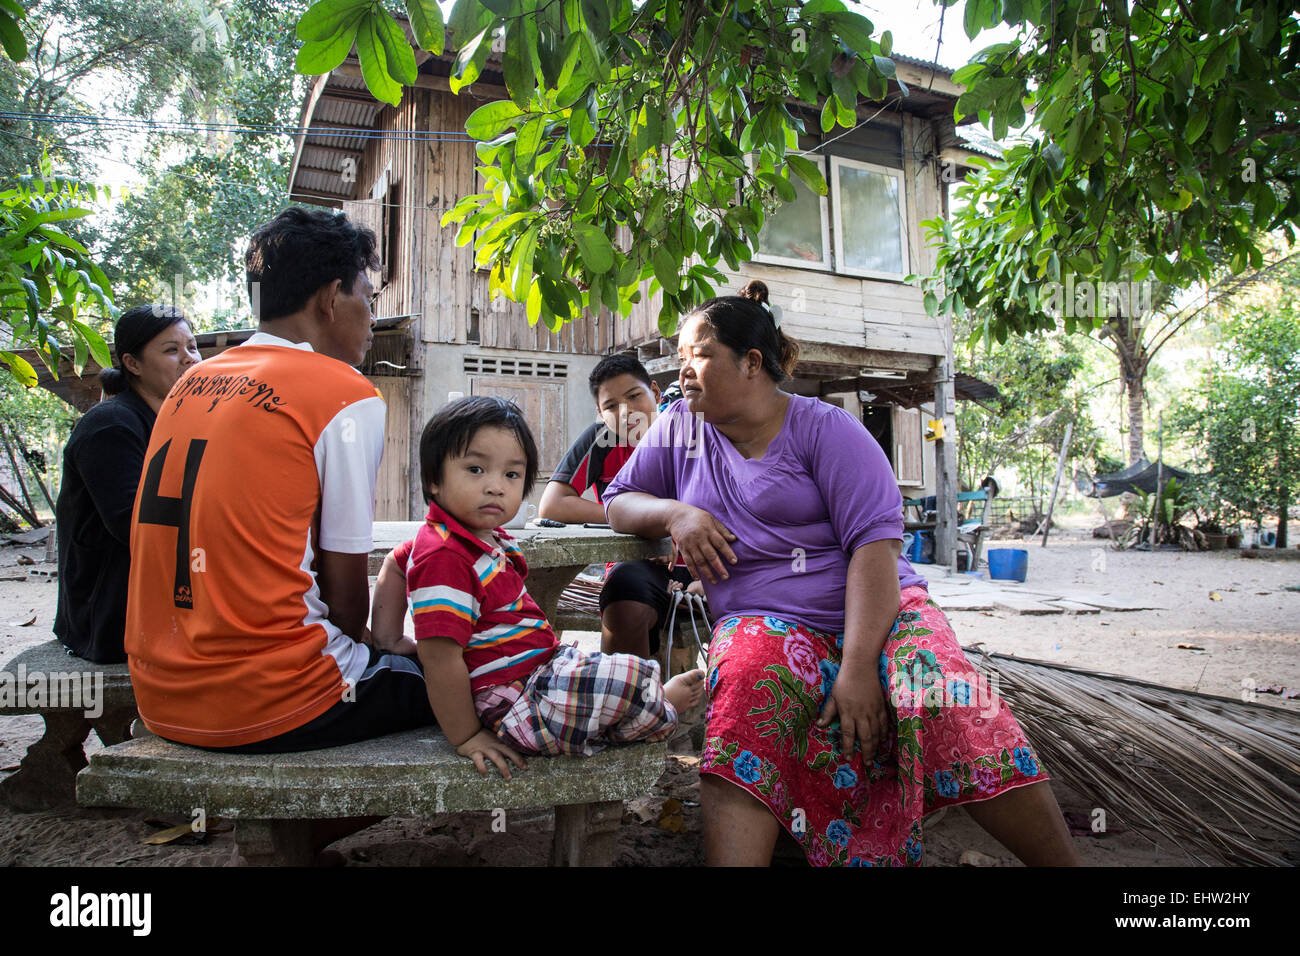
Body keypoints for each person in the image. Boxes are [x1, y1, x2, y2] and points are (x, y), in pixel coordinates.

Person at [604, 280, 1080, 867]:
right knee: (746, 691)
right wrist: (676, 512)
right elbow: (620, 499)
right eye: (680, 361)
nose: (684, 373)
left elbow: (874, 551)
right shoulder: (681, 429)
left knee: (948, 698)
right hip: (765, 619)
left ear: (752, 362)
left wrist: (858, 668)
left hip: (881, 610)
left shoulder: (828, 430)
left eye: (697, 356)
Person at [125, 207, 434, 753]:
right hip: (275, 698)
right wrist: (377, 648)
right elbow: (344, 598)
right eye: (368, 296)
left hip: (160, 693)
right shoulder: (342, 391)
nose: (369, 315)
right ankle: (310, 839)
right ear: (330, 297)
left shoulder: (192, 382)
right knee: (480, 680)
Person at [368, 396, 704, 780]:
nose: (495, 487)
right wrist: (466, 736)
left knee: (606, 671)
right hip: (513, 700)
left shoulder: (461, 537)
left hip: (539, 670)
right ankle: (662, 707)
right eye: (476, 469)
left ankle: (647, 702)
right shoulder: (444, 556)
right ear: (433, 479)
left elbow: (396, 562)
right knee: (619, 680)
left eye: (511, 475)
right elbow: (439, 657)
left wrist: (389, 638)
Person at [54, 305, 201, 663]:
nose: (189, 359)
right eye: (171, 350)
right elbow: (136, 526)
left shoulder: (177, 421)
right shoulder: (111, 427)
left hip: (160, 600)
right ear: (132, 364)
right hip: (109, 614)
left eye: (192, 347)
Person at [539, 354, 694, 658]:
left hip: (700, 562)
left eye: (635, 396)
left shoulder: (689, 432)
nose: (627, 412)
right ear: (599, 412)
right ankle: (628, 699)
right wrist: (634, 521)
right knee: (622, 605)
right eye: (611, 406)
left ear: (655, 392)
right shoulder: (601, 439)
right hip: (635, 563)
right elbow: (553, 505)